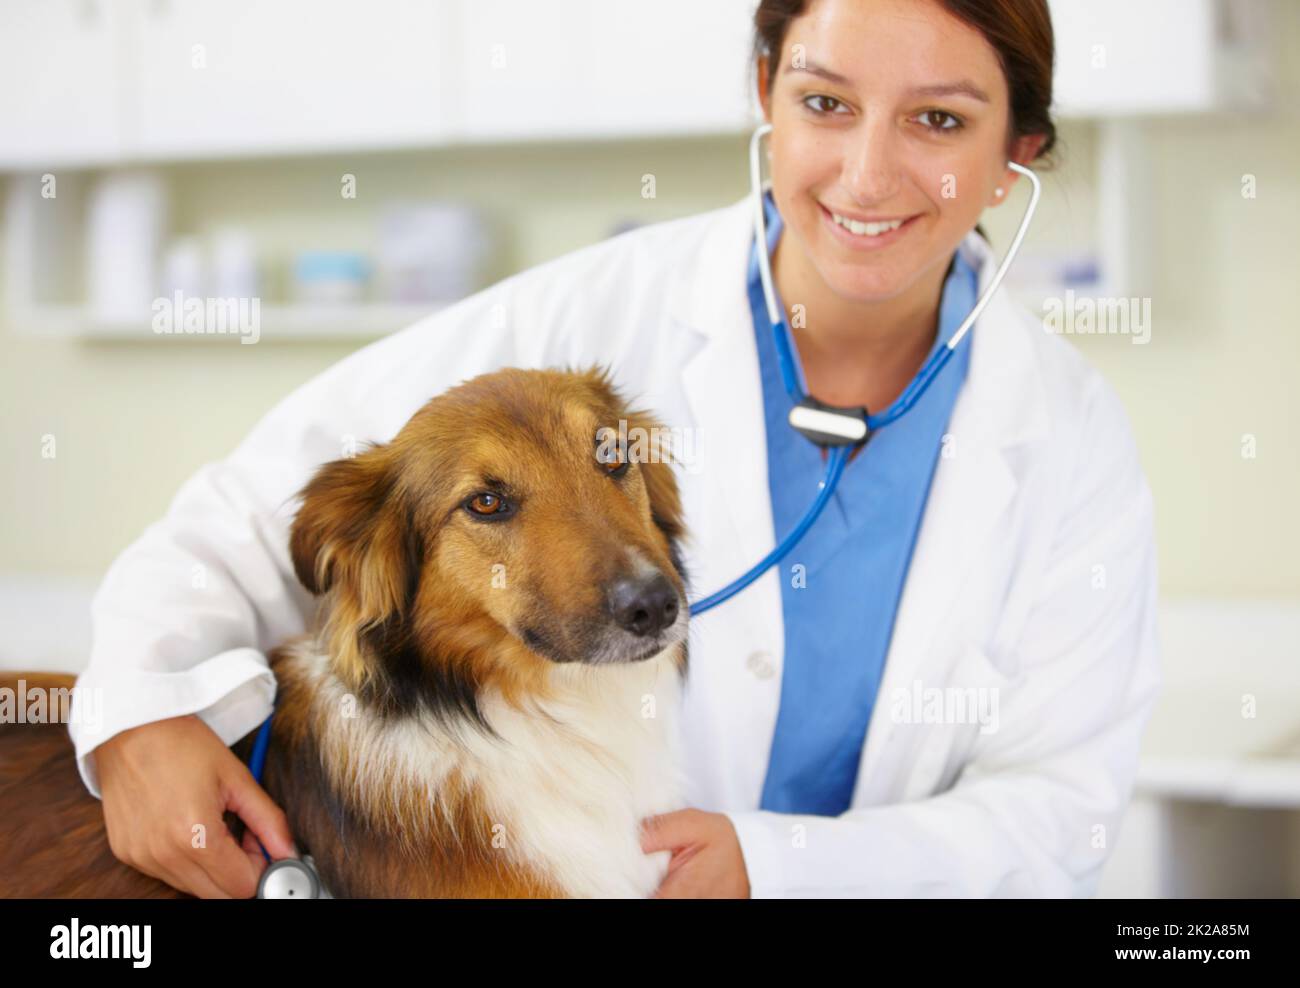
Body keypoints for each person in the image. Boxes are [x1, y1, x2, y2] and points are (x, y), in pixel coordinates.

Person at [70, 0, 1160, 899]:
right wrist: (134, 717)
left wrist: (779, 868)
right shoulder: (576, 321)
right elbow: (238, 522)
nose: (866, 175)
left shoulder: (1069, 437)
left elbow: (1059, 805)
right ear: (766, 95)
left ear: (1015, 153)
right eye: (824, 103)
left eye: (938, 120)